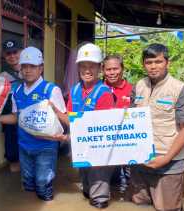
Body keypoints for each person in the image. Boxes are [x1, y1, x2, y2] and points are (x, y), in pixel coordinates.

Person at [128, 43, 184, 211]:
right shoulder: (138, 86)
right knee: (139, 204)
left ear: (167, 63)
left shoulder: (179, 89)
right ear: (143, 64)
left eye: (158, 61)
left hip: (169, 165)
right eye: (148, 62)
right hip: (140, 163)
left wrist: (165, 159)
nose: (153, 66)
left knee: (169, 208)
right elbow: (130, 121)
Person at [0, 46, 67, 201]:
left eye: (33, 67)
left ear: (41, 68)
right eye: (24, 67)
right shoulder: (16, 91)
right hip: (24, 147)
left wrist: (65, 134)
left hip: (46, 147)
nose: (28, 70)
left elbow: (64, 118)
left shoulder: (51, 90)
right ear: (20, 69)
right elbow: (16, 118)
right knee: (28, 184)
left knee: (43, 184)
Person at [67, 43, 115, 208]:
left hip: (99, 150)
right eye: (83, 66)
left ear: (100, 68)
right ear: (78, 67)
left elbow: (101, 127)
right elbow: (70, 118)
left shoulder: (104, 93)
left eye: (92, 66)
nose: (87, 70)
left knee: (98, 196)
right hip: (81, 148)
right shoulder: (74, 91)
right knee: (86, 189)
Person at [102, 55, 132, 195]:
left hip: (127, 143)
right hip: (105, 143)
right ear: (103, 70)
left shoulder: (133, 90)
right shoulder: (98, 89)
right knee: (111, 180)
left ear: (122, 69)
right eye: (108, 69)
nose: (112, 72)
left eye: (115, 68)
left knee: (131, 179)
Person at [1, 40, 23, 172]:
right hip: (11, 121)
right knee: (13, 156)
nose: (12, 56)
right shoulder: (2, 76)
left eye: (15, 52)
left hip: (30, 119)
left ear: (21, 52)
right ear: (4, 56)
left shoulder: (30, 70)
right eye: (8, 53)